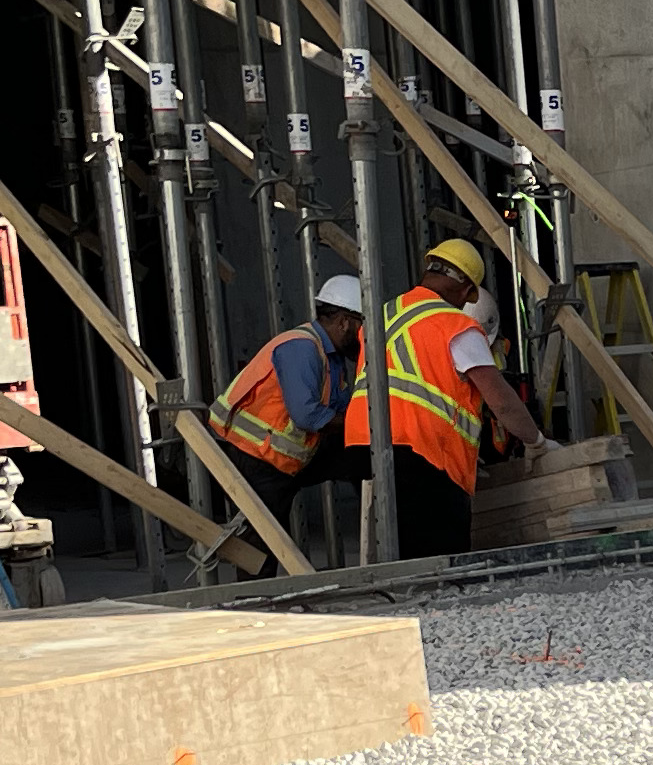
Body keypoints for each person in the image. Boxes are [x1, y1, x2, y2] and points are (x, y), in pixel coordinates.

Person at [337, 237, 543, 559]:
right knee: (442, 557)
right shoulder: (455, 325)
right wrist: (537, 441)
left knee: (399, 551)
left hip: (360, 445)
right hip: (419, 454)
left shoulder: (383, 316)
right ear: (465, 289)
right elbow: (500, 400)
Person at [213, 270, 363, 558]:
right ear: (344, 322)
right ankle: (256, 600)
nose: (363, 336)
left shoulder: (330, 356)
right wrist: (360, 424)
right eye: (361, 326)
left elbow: (342, 406)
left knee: (363, 455)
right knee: (263, 542)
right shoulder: (302, 348)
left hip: (283, 456)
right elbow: (307, 415)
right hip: (255, 456)